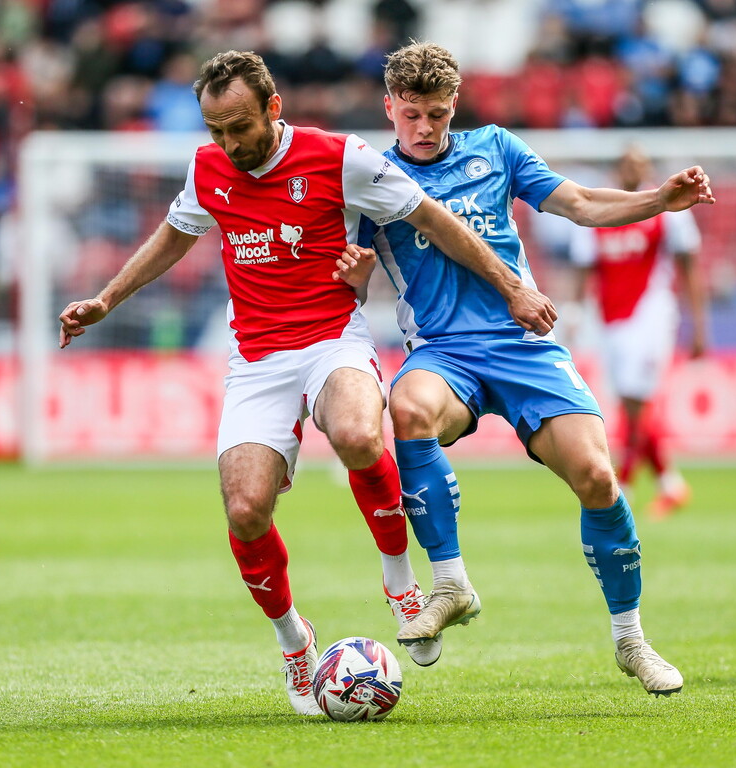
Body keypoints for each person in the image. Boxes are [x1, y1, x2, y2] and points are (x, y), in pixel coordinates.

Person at [57, 50, 558, 715]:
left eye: (240, 126)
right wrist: (105, 300)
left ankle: (400, 580)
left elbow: (435, 220)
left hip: (331, 337)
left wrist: (515, 287)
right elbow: (175, 235)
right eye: (216, 131)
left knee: (356, 431)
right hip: (257, 357)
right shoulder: (209, 168)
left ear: (273, 107)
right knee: (244, 510)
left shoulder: (339, 157)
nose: (230, 144)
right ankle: (296, 642)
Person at [337, 41, 714, 697]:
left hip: (525, 344)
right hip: (443, 352)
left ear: (454, 106)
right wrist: (354, 275)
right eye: (412, 115)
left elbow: (582, 205)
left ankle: (631, 639)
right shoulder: (373, 180)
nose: (424, 129)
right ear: (389, 107)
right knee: (409, 408)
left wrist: (658, 200)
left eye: (437, 114)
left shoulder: (497, 149)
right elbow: (344, 276)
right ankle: (450, 583)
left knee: (598, 475)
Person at [569, 144, 709, 519]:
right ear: (619, 170)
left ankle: (625, 486)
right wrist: (573, 314)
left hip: (651, 316)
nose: (636, 169)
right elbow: (582, 269)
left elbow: (690, 267)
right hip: (609, 320)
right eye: (629, 163)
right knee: (630, 406)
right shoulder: (601, 212)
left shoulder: (670, 209)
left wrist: (699, 325)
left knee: (637, 402)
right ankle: (670, 484)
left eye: (642, 164)